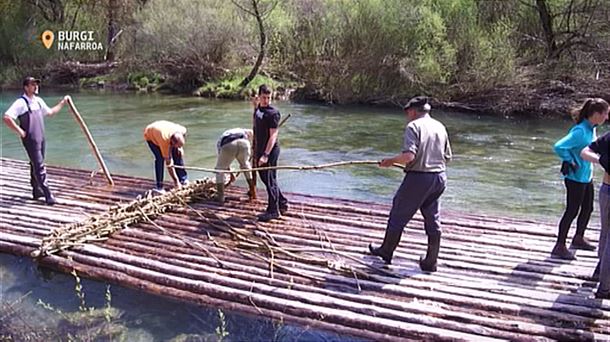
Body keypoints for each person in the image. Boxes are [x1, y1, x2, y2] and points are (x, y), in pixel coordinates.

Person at [368, 96, 452, 272]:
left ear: (413, 111)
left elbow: (409, 156)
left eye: (407, 112)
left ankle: (386, 251)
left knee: (398, 214)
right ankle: (430, 261)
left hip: (419, 178)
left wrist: (390, 161)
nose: (407, 116)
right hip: (439, 178)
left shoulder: (413, 127)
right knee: (433, 219)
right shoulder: (440, 127)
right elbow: (447, 157)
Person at [552, 98, 609, 260]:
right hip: (575, 178)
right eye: (605, 114)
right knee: (571, 211)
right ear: (596, 114)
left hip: (586, 176)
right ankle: (560, 246)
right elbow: (559, 146)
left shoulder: (592, 128)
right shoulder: (580, 131)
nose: (607, 117)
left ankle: (578, 238)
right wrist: (569, 160)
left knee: (588, 208)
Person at [3, 77, 69, 205]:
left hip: (41, 138)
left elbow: (50, 112)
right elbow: (7, 117)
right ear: (26, 87)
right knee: (39, 165)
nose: (36, 86)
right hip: (30, 139)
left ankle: (36, 190)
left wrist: (63, 102)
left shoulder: (38, 101)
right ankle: (47, 194)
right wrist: (20, 131)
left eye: (36, 84)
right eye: (33, 84)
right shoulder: (21, 103)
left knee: (36, 163)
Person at [252, 84, 288, 222]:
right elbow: (256, 121)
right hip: (260, 148)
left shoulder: (273, 113)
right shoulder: (259, 109)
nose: (266, 100)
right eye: (263, 97)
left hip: (270, 151)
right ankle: (282, 202)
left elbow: (273, 136)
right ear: (259, 96)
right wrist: (255, 106)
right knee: (266, 178)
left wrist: (266, 155)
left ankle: (273, 211)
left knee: (270, 178)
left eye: (269, 97)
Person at [581, 130, 610, 299]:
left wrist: (600, 160)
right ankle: (605, 288)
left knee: (605, 232)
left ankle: (600, 271)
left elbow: (585, 152)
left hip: (606, 190)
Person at [143, 120, 188, 192]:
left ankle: (183, 179)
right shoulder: (164, 142)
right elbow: (169, 164)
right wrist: (176, 182)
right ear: (172, 143)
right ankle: (159, 186)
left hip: (162, 127)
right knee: (160, 159)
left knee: (177, 154)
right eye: (177, 145)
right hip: (151, 134)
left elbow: (182, 136)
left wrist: (180, 148)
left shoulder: (182, 130)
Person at [214, 128, 256, 203]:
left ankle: (221, 197)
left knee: (219, 170)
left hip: (228, 143)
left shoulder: (222, 139)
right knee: (246, 166)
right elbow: (252, 134)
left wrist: (230, 174)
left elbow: (224, 164)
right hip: (244, 143)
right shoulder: (244, 132)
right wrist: (231, 175)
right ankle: (253, 191)